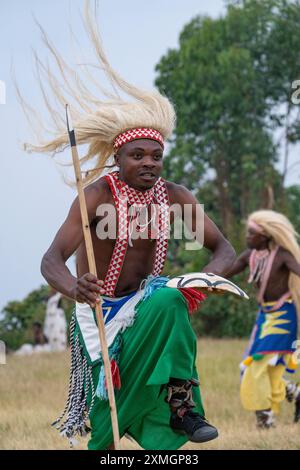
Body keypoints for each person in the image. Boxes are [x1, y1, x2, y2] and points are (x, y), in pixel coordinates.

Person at [23, 3, 236, 449]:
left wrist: (202, 281)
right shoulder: (97, 195)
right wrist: (74, 287)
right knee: (107, 420)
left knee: (171, 299)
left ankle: (182, 406)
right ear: (117, 158)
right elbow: (51, 260)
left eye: (155, 156)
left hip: (148, 304)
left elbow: (225, 252)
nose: (148, 163)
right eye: (137, 155)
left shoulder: (175, 196)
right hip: (99, 311)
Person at [227, 210, 300, 428]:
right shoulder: (250, 255)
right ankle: (295, 393)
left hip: (283, 318)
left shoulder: (283, 255)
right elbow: (224, 272)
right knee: (257, 368)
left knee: (256, 367)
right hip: (264, 317)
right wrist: (196, 281)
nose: (247, 237)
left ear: (265, 235)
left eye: (251, 233)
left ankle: (265, 421)